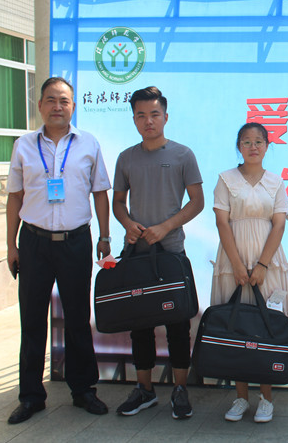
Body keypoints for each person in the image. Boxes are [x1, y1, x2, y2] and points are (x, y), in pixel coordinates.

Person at [5, 77, 111, 424]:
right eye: (50, 100)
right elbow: (15, 197)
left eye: (64, 101)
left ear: (73, 106)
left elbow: (100, 192)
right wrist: (11, 245)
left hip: (75, 242)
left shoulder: (88, 143)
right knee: (32, 320)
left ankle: (84, 390)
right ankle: (31, 396)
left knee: (78, 318)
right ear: (40, 106)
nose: (57, 107)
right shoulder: (23, 145)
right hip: (33, 242)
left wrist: (105, 237)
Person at [112, 86, 204, 420]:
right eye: (141, 115)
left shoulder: (183, 155)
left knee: (177, 325)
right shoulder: (126, 158)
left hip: (171, 253)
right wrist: (127, 223)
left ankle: (180, 390)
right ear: (134, 119)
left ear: (165, 116)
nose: (148, 121)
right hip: (137, 253)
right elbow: (118, 202)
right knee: (140, 325)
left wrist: (165, 227)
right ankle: (145, 390)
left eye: (154, 114)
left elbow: (197, 202)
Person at [212, 122, 288, 423]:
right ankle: (240, 397)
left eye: (259, 141)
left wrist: (262, 265)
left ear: (267, 146)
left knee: (265, 326)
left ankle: (266, 399)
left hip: (267, 260)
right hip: (232, 258)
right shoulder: (226, 179)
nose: (253, 147)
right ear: (239, 147)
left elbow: (279, 224)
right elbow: (222, 222)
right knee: (236, 326)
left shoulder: (276, 182)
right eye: (246, 142)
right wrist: (236, 264)